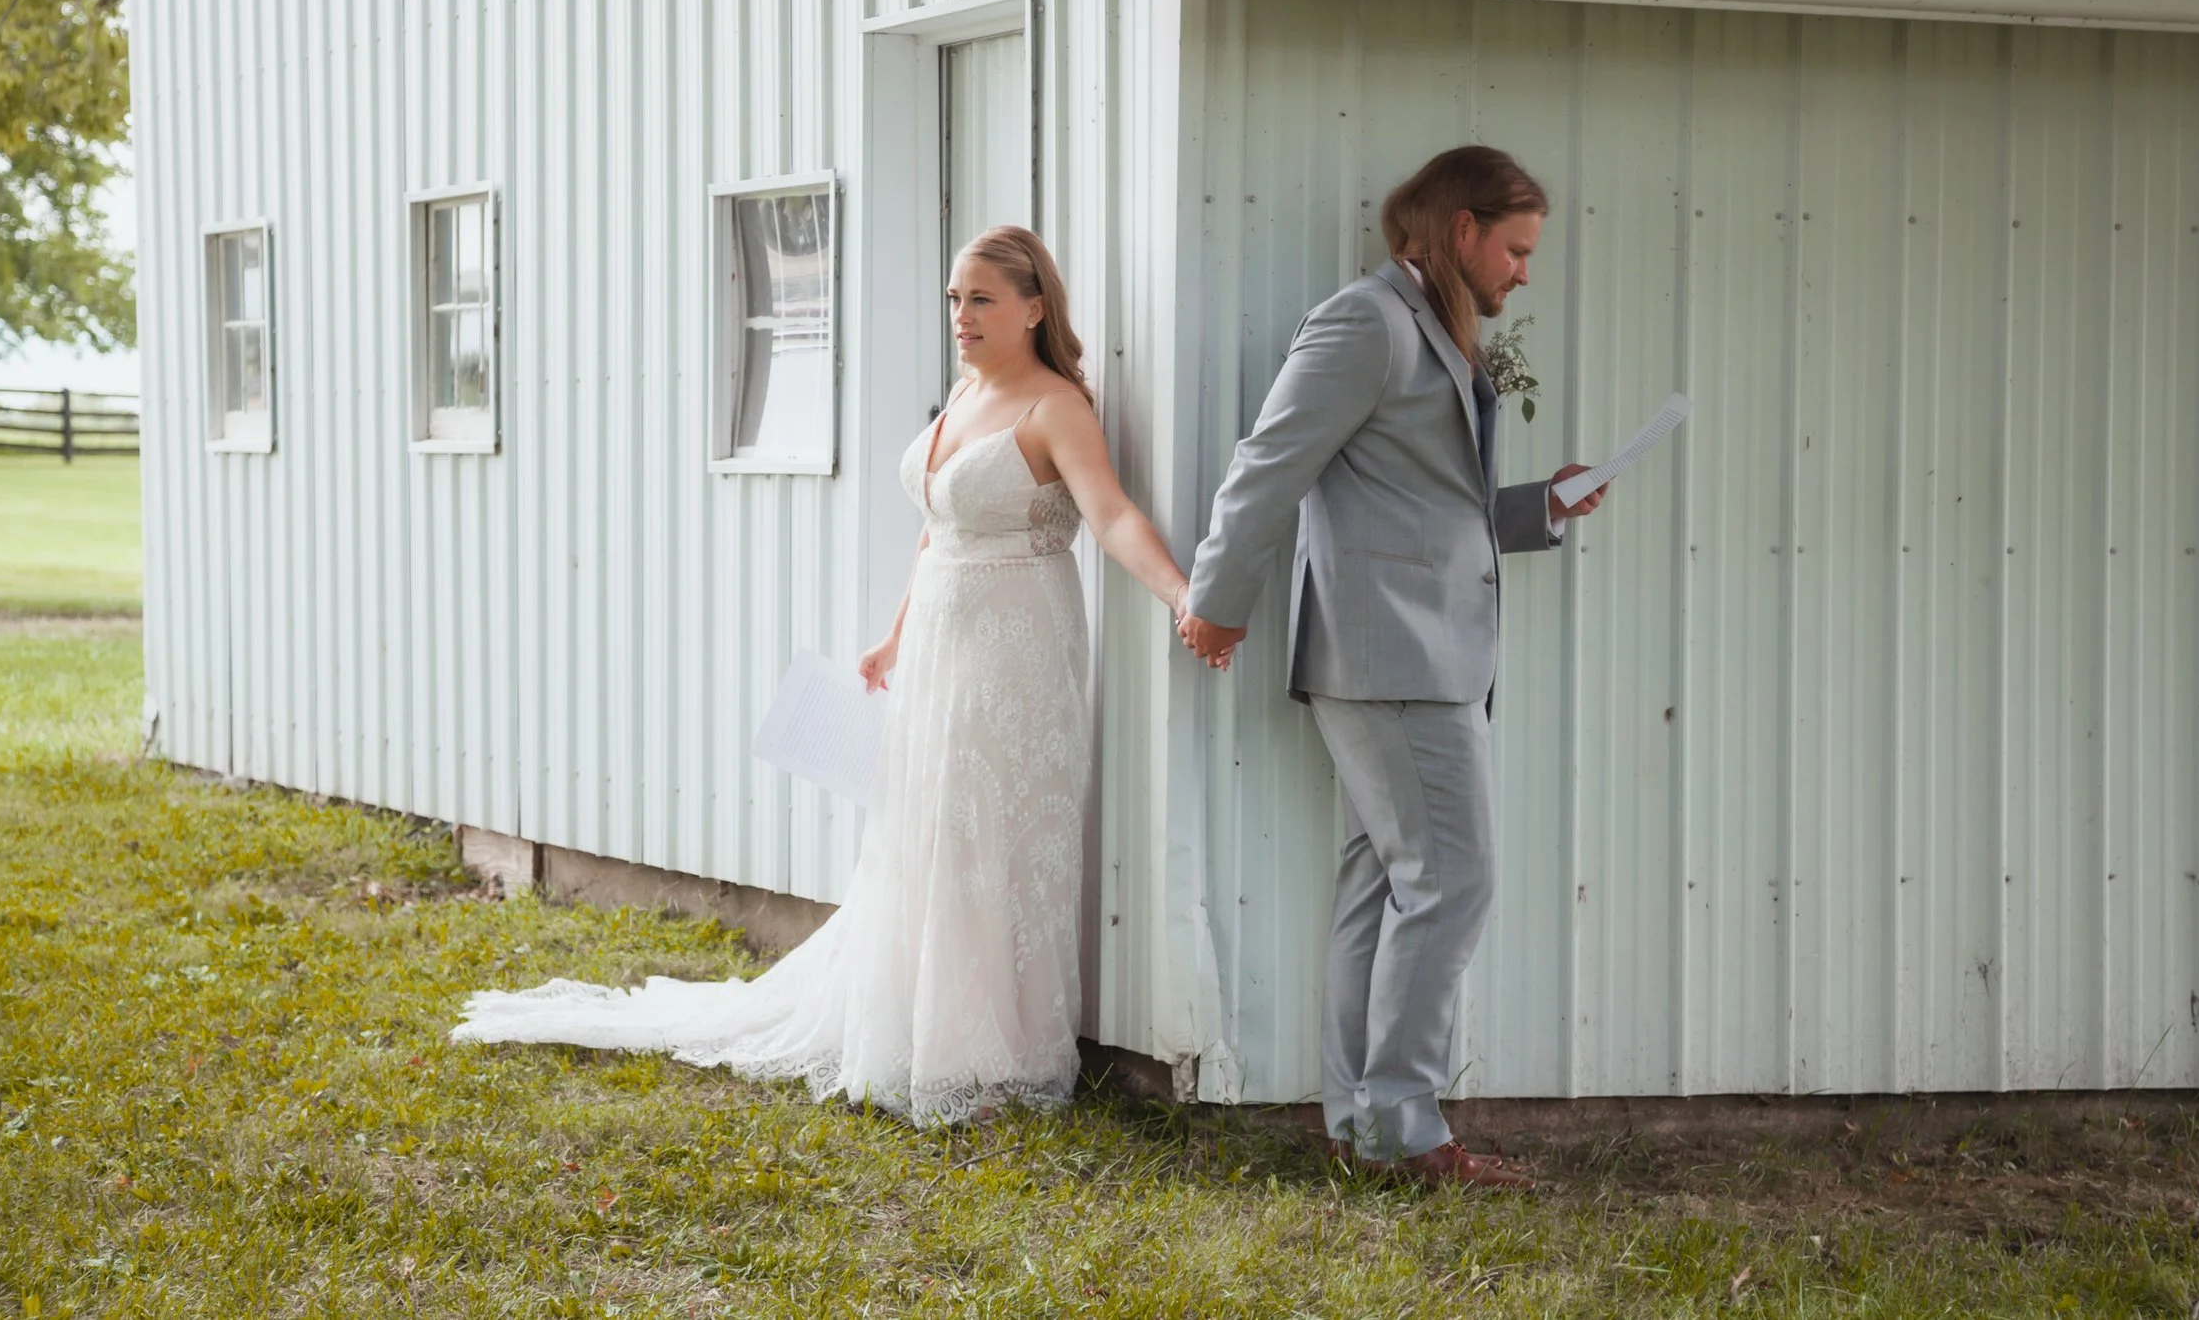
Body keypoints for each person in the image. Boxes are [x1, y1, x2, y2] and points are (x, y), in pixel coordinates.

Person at [453, 226, 1191, 1127]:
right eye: (953, 298)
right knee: (928, 837)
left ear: (1034, 307)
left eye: (981, 299)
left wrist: (1181, 594)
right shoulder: (968, 392)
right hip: (939, 647)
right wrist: (894, 636)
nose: (960, 315)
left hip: (1016, 652)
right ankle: (925, 1027)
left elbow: (1110, 517)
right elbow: (939, 532)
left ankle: (996, 1052)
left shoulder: (1055, 407)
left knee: (991, 837)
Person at [1177, 146, 1609, 1189]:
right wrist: (1216, 598)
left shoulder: (1428, 327)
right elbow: (1270, 462)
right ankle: (1404, 1130)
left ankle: (1364, 1127)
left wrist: (1540, 505)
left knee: (1385, 885)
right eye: (1515, 249)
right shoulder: (1365, 321)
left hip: (1414, 649)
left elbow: (1424, 504)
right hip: (1391, 656)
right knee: (1453, 877)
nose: (1524, 272)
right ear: (1462, 230)